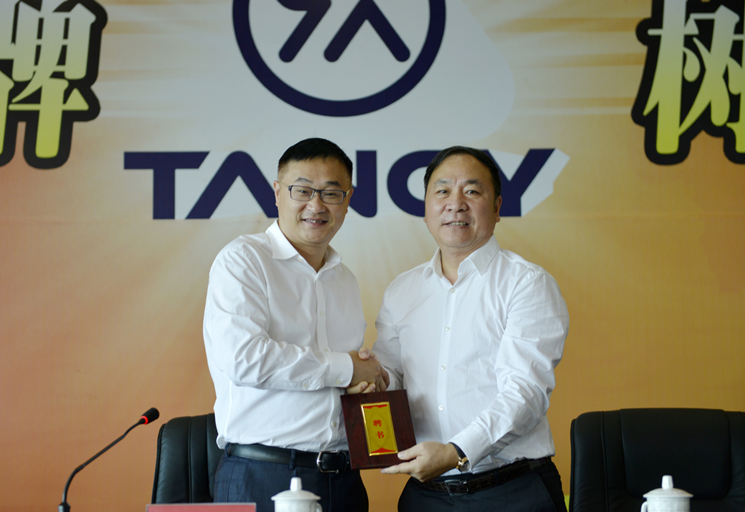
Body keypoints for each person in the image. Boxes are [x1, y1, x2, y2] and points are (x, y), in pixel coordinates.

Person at [372, 146, 570, 511]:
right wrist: (369, 380)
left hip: (512, 492)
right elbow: (390, 380)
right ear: (426, 208)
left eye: (472, 191)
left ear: (497, 207)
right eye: (442, 191)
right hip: (426, 496)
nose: (456, 204)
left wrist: (457, 452)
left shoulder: (526, 283)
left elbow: (525, 392)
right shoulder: (402, 291)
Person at [203, 138, 387, 512]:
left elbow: (345, 381)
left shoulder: (344, 280)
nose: (316, 206)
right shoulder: (244, 260)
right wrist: (347, 368)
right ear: (277, 192)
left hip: (343, 478)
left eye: (331, 193)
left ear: (348, 200)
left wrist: (362, 385)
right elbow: (245, 359)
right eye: (302, 190)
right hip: (263, 474)